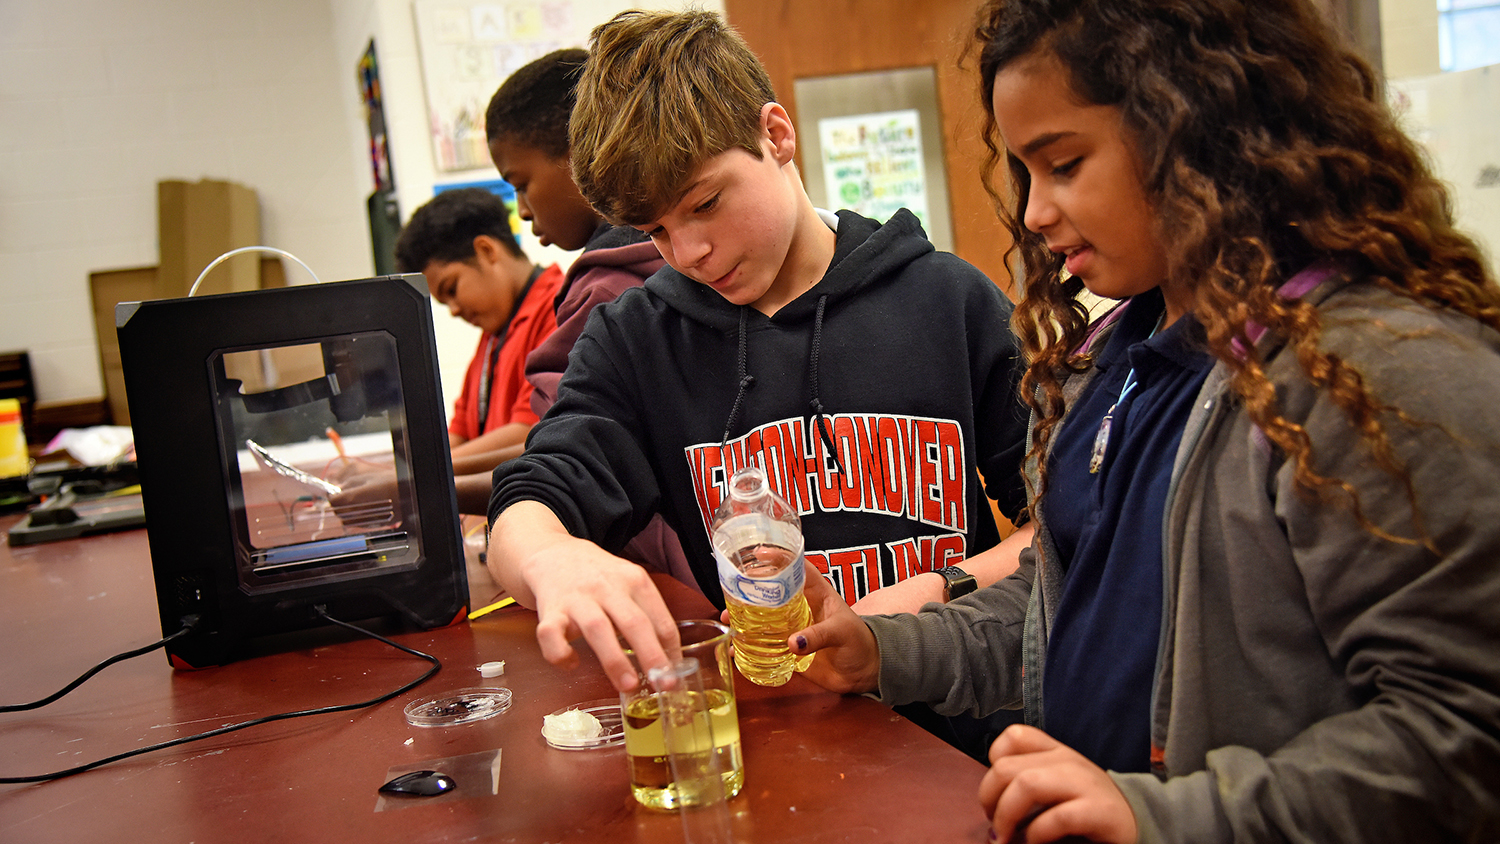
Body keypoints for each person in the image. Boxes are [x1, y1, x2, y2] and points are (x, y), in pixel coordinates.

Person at [789, 0, 1500, 841]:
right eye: (1024, 173)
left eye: (1064, 164)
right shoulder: (1122, 357)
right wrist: (883, 652)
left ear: (1196, 132)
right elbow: (1062, 602)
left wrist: (1165, 816)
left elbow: (1464, 738)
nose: (1036, 213)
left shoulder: (1378, 372)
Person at [485, 8, 1033, 694]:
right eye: (655, 230)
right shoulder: (637, 340)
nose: (687, 254)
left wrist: (940, 588)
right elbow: (532, 496)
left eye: (706, 203)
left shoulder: (949, 302)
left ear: (775, 135)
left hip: (959, 724)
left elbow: (1066, 528)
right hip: (780, 738)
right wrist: (551, 558)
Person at [482, 47, 691, 582]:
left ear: (583, 154)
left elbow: (572, 455)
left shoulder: (606, 290)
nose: (523, 210)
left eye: (520, 183)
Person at [387, 187, 564, 512]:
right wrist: (393, 468)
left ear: (486, 250)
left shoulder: (557, 309)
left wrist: (419, 473)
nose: (453, 309)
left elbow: (529, 433)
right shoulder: (492, 335)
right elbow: (458, 433)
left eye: (452, 289)